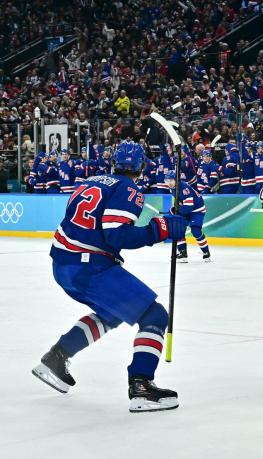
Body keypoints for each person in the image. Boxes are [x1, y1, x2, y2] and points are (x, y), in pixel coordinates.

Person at [32, 141, 187, 412]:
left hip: (63, 264)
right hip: (89, 267)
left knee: (112, 313)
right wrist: (160, 229)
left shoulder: (90, 180)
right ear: (141, 167)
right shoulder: (128, 188)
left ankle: (56, 358)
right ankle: (141, 386)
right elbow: (118, 234)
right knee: (155, 316)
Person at [174, 178, 211, 263]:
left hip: (197, 210)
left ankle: (206, 251)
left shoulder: (184, 188)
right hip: (187, 209)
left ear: (175, 180)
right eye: (166, 180)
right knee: (178, 228)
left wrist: (177, 210)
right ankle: (182, 253)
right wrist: (175, 208)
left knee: (196, 231)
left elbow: (188, 206)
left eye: (170, 180)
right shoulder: (172, 188)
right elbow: (179, 202)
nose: (168, 183)